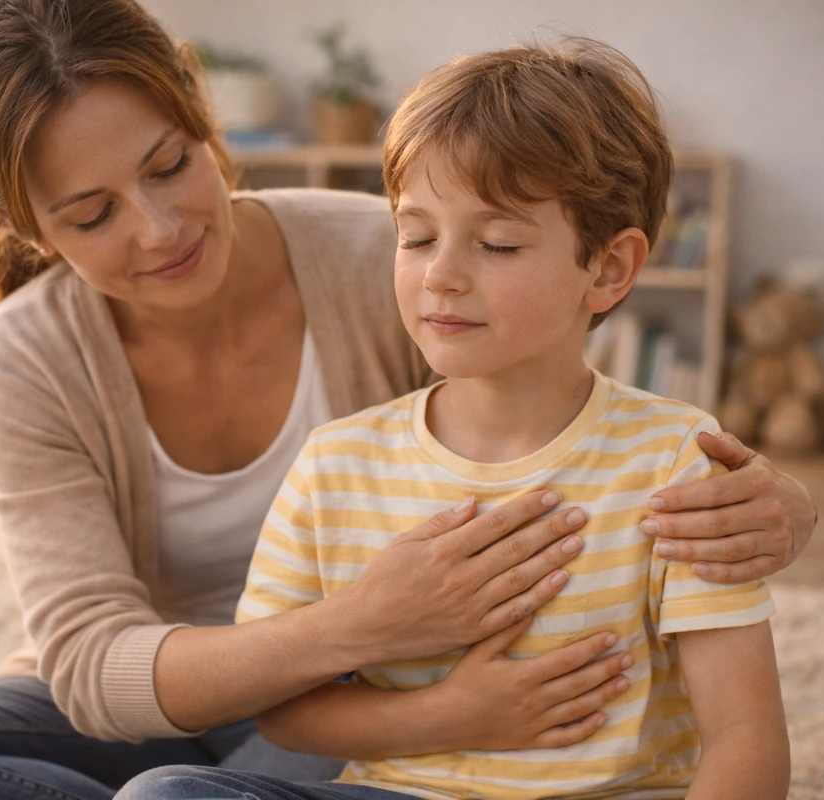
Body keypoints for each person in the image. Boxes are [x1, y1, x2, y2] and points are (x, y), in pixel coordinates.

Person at [0, 2, 811, 799]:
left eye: (169, 165)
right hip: (211, 684)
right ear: (25, 224)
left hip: (370, 694)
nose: (158, 229)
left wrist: (779, 504)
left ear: (204, 117)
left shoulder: (396, 257)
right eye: (93, 212)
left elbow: (561, 407)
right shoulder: (25, 355)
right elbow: (87, 660)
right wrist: (363, 627)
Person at [117, 39, 789, 800]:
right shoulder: (334, 465)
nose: (441, 275)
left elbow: (745, 731)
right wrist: (446, 717)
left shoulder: (672, 462)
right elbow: (285, 715)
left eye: (497, 242)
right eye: (417, 236)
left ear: (607, 269)